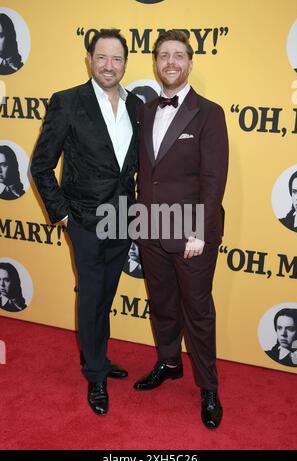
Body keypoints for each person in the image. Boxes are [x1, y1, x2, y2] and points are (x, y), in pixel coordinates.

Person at [31, 29, 142, 416]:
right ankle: (95, 374)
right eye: (102, 57)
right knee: (92, 296)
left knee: (105, 298)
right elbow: (41, 165)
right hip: (84, 220)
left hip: (122, 220)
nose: (109, 66)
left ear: (125, 63)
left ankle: (96, 356)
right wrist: (61, 213)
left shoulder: (136, 104)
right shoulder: (67, 102)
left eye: (117, 59)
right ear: (89, 60)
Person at [134, 30, 229, 430]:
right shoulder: (145, 109)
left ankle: (208, 387)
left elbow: (213, 178)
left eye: (178, 56)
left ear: (190, 62)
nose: (170, 62)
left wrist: (199, 231)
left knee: (198, 313)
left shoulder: (210, 112)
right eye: (163, 56)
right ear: (155, 63)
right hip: (150, 229)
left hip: (191, 233)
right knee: (163, 306)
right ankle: (169, 362)